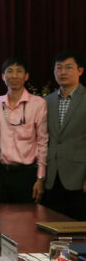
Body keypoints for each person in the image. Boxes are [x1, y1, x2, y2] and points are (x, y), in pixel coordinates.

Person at [0, 57, 48, 203]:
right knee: (1, 220)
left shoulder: (38, 104)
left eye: (19, 71)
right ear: (3, 76)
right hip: (1, 173)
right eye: (9, 71)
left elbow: (43, 141)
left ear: (26, 76)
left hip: (27, 174)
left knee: (26, 221)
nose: (14, 76)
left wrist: (40, 177)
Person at [42, 50, 86, 220]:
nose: (63, 72)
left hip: (78, 177)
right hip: (52, 177)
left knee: (78, 233)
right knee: (51, 229)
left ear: (80, 71)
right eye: (59, 68)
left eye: (68, 67)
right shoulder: (47, 101)